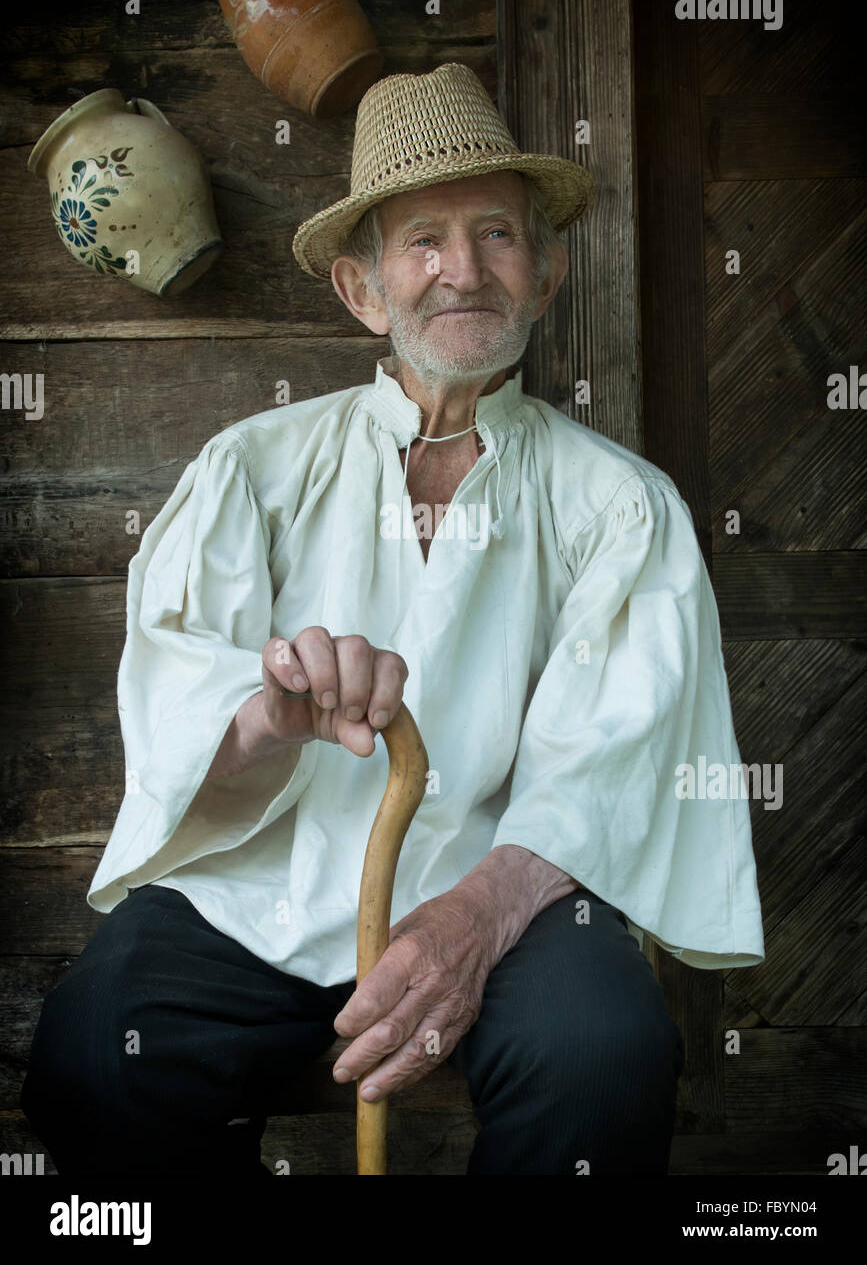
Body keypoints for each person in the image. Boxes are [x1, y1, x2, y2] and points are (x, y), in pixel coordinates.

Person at [21, 63, 764, 1176]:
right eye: (422, 240)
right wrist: (268, 716)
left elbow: (612, 758)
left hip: (509, 891)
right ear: (363, 290)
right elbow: (181, 720)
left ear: (547, 272)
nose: (461, 270)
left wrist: (474, 917)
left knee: (601, 1050)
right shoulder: (250, 468)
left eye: (497, 235)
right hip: (260, 889)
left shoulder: (621, 504)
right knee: (98, 1044)